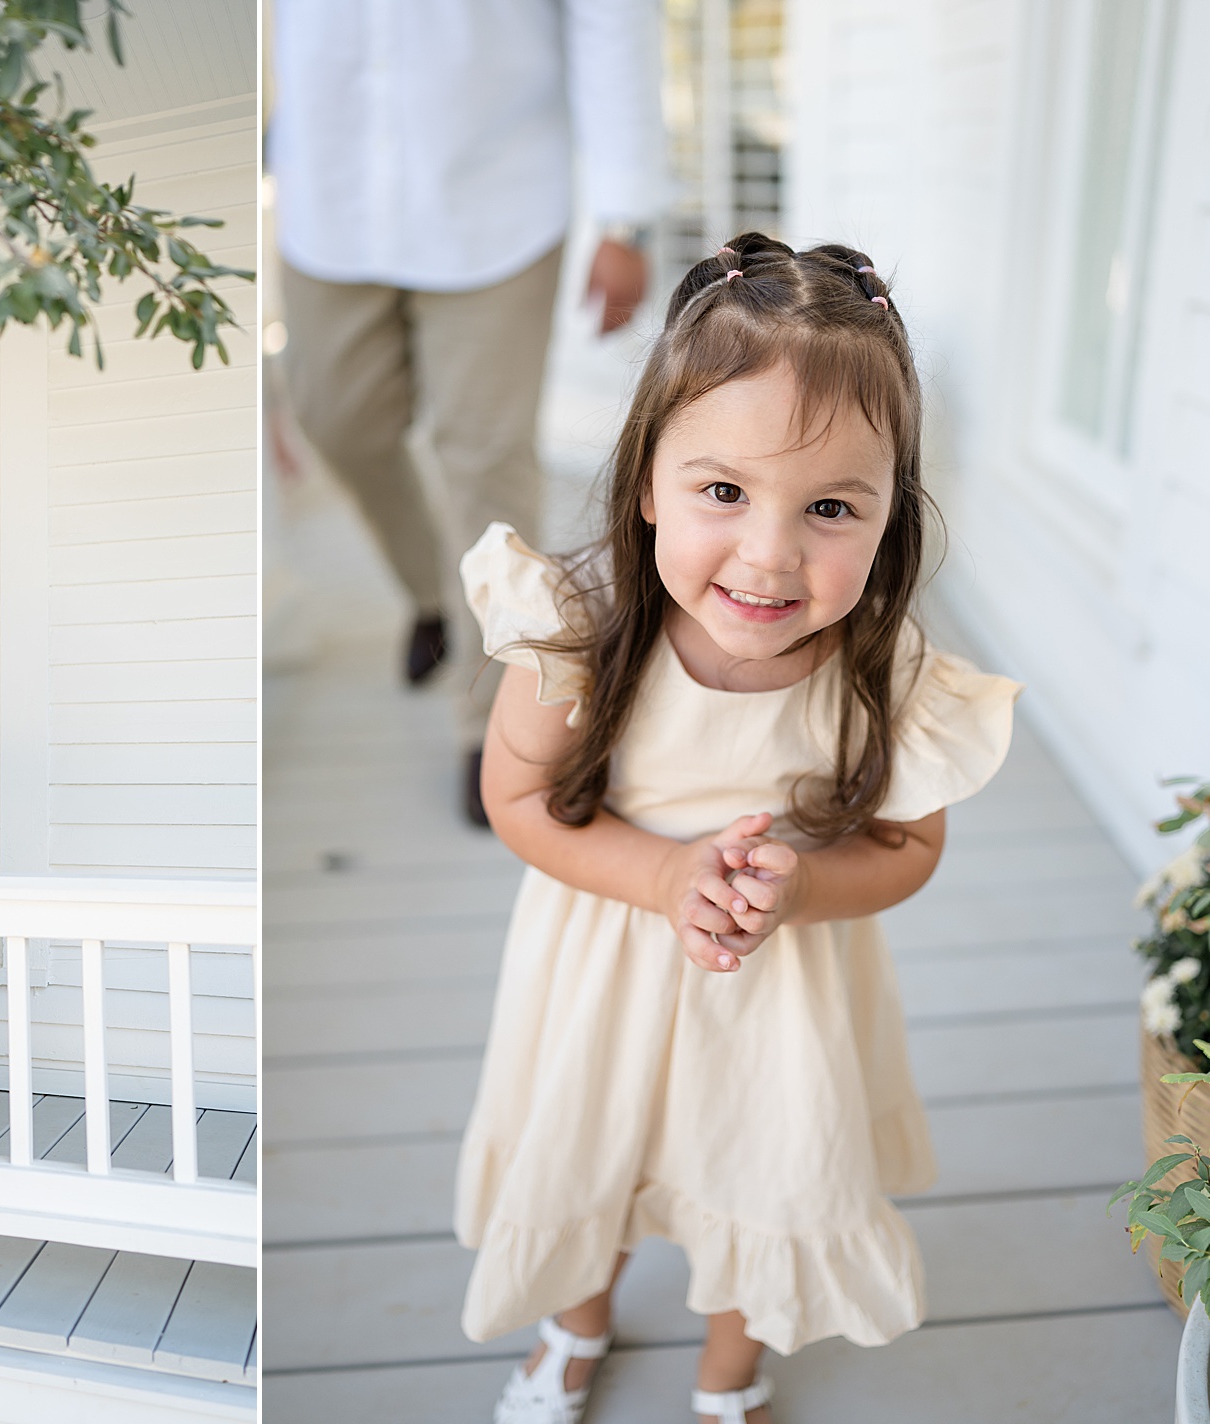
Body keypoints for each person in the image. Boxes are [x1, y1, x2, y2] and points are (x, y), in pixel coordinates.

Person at [455, 235, 1021, 1424]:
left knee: (762, 1170)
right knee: (593, 1157)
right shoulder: (575, 631)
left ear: (887, 515)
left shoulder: (888, 672)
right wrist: (662, 870)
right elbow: (516, 801)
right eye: (723, 490)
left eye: (828, 506)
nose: (770, 554)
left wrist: (801, 889)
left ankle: (727, 1375)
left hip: (783, 985)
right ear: (648, 478)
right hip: (605, 954)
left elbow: (909, 849)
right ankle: (577, 1322)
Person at [268, 0, 668, 824]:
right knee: (339, 421)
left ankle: (496, 727)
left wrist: (626, 215)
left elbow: (613, 19)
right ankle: (433, 595)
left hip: (498, 199)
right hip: (328, 193)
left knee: (486, 461)